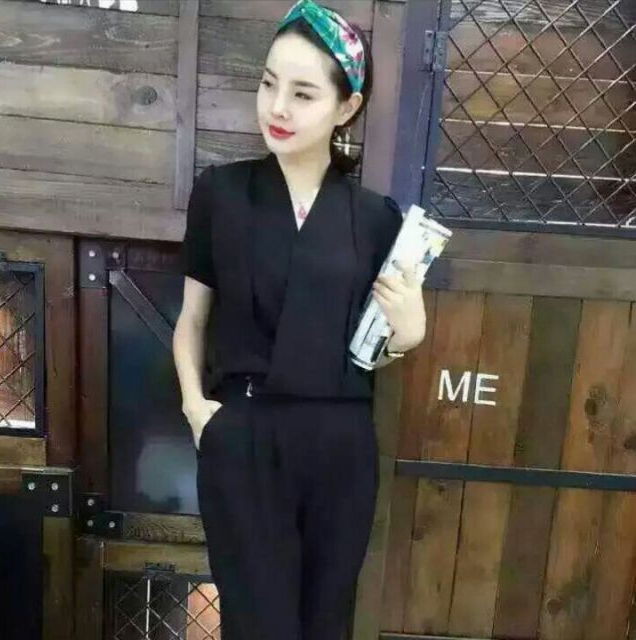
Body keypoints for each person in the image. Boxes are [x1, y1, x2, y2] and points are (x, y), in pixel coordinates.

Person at [173, 1, 426, 638]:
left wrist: (411, 333)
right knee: (258, 625)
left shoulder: (376, 218)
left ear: (346, 107)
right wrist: (197, 411)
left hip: (341, 445)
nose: (277, 107)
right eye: (268, 84)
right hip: (245, 434)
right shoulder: (220, 193)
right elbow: (192, 318)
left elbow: (375, 345)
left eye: (303, 93)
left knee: (325, 624)